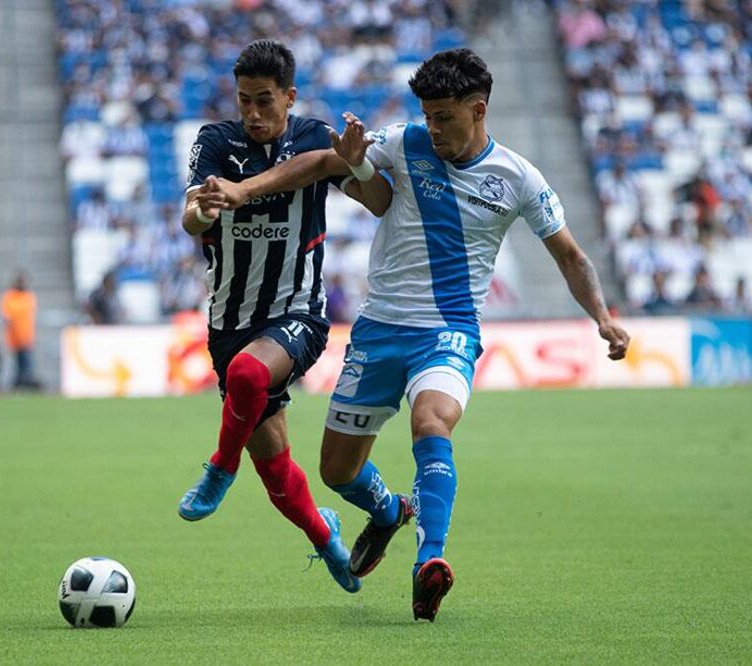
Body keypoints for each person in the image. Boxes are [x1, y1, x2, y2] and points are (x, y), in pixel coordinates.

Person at [198, 48, 631, 621]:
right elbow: (348, 180)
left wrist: (601, 317)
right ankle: (387, 511)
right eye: (427, 115)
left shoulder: (519, 178)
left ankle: (429, 562)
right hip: (379, 329)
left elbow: (571, 257)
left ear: (478, 110)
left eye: (444, 117)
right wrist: (350, 167)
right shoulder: (404, 140)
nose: (433, 127)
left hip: (449, 330)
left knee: (431, 421)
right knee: (337, 471)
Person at [176, 40, 396, 595]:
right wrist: (203, 208)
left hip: (298, 314)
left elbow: (376, 199)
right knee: (275, 471)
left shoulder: (314, 136)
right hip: (228, 324)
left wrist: (356, 158)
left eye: (265, 102)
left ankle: (218, 468)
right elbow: (190, 218)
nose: (253, 114)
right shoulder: (216, 142)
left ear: (290, 97)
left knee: (251, 377)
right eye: (245, 100)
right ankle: (328, 539)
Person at [0, 272, 40, 389]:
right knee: (18, 363)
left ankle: (24, 383)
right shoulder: (9, 297)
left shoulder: (29, 296)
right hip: (14, 337)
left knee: (26, 363)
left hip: (26, 336)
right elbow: (7, 317)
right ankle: (19, 384)